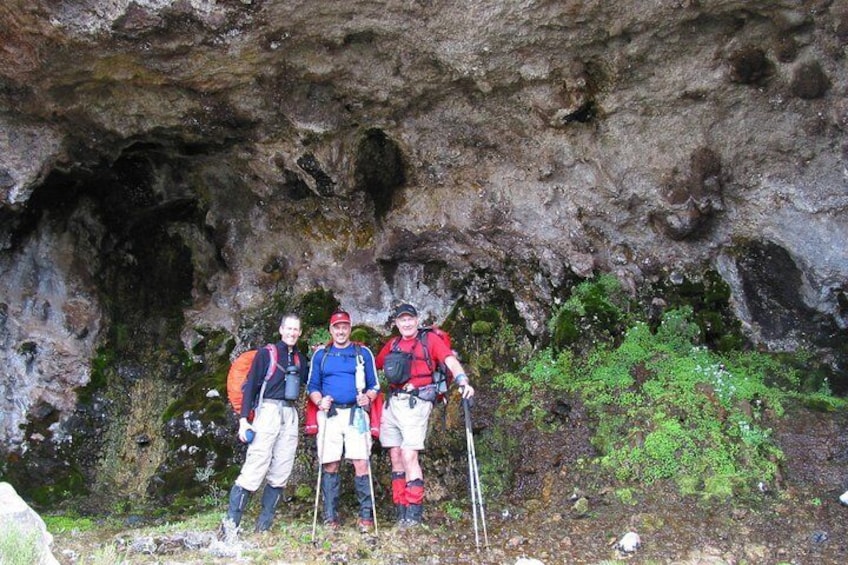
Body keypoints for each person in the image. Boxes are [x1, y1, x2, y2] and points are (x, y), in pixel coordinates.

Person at [375, 303, 475, 527]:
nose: (407, 323)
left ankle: (414, 513)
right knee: (395, 455)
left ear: (417, 320)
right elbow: (375, 365)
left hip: (416, 403)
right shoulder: (393, 344)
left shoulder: (429, 340)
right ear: (396, 323)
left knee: (409, 455)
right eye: (402, 320)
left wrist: (462, 380)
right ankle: (400, 509)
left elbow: (449, 360)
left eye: (410, 319)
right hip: (393, 403)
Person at [223, 313, 308, 535]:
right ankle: (231, 524)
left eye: (295, 330)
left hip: (289, 415)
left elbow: (310, 381)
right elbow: (250, 387)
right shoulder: (266, 354)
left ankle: (264, 525)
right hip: (267, 411)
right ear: (281, 330)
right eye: (288, 329)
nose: (291, 333)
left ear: (300, 333)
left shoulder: (300, 359)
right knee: (256, 464)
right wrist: (243, 421)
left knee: (282, 467)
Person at [307, 310, 380, 532]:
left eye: (344, 326)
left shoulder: (362, 352)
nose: (341, 331)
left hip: (356, 413)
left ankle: (366, 516)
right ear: (331, 330)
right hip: (330, 414)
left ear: (350, 329)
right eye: (337, 327)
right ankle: (330, 516)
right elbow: (312, 386)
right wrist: (320, 402)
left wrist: (367, 397)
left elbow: (375, 385)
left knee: (361, 461)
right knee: (330, 462)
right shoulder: (321, 355)